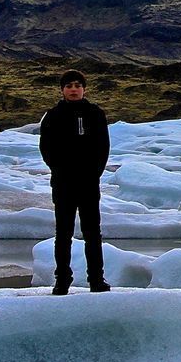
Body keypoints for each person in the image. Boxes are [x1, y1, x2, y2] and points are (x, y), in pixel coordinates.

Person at [38, 69, 111, 294]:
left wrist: (94, 172)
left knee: (92, 233)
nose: (73, 89)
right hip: (63, 183)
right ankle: (62, 280)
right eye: (69, 86)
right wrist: (59, 171)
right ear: (62, 90)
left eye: (77, 85)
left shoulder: (95, 114)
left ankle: (96, 280)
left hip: (88, 182)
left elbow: (103, 147)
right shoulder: (53, 116)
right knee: (63, 233)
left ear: (84, 89)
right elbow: (46, 148)